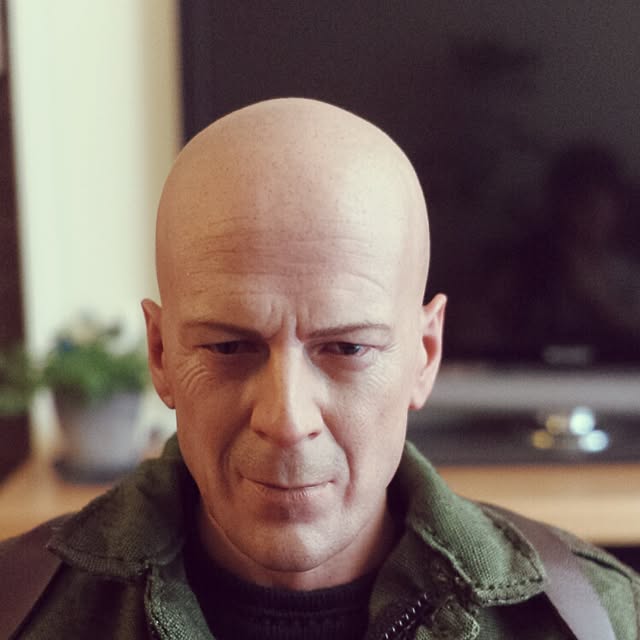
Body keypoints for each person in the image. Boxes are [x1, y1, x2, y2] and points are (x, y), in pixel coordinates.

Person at [1, 98, 639, 639]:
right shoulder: (20, 612)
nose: (286, 421)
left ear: (424, 355)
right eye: (228, 348)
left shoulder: (600, 620)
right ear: (162, 354)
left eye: (347, 349)